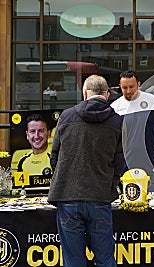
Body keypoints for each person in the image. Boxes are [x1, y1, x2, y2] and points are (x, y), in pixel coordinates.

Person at [48, 75, 125, 267]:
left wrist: (64, 178)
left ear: (85, 93)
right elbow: (120, 161)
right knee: (106, 259)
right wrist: (110, 184)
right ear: (107, 95)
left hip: (68, 197)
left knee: (73, 260)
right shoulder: (116, 121)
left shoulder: (66, 116)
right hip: (100, 197)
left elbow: (54, 156)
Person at [110, 69, 154, 192]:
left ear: (139, 85)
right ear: (120, 86)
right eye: (125, 88)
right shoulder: (114, 108)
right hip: (125, 166)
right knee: (128, 203)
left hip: (151, 163)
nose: (129, 91)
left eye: (132, 87)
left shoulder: (152, 101)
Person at [17, 113, 52, 177]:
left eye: (41, 131)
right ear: (27, 135)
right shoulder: (22, 161)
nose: (36, 136)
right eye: (32, 131)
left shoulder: (57, 157)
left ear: (48, 133)